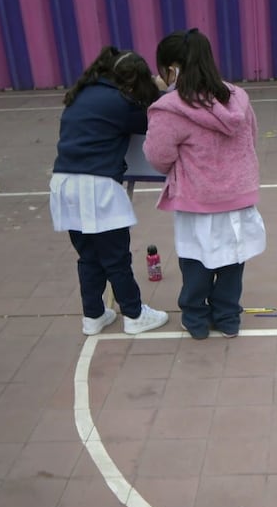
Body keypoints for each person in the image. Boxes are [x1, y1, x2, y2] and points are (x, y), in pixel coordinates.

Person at [145, 29, 265, 340]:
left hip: (197, 198)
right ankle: (227, 318)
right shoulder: (237, 98)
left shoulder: (170, 107)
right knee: (232, 260)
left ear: (172, 69)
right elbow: (250, 138)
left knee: (196, 260)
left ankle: (195, 318)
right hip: (238, 196)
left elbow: (158, 156)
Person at [50, 46, 169, 336]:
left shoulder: (83, 93)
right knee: (116, 256)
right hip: (97, 186)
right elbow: (153, 121)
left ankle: (93, 315)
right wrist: (159, 90)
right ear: (131, 83)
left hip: (64, 184)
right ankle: (134, 313)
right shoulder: (119, 102)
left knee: (88, 255)